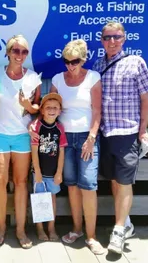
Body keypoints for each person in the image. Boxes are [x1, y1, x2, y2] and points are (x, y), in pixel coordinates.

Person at [92, 22, 148, 254]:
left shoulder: (137, 63)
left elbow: (146, 100)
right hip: (105, 133)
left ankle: (117, 231)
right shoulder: (97, 65)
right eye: (107, 37)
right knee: (114, 179)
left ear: (124, 38)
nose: (112, 41)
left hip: (127, 132)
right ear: (102, 40)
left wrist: (143, 130)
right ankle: (125, 224)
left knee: (124, 182)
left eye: (116, 37)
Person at [50, 39, 104, 254]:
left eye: (74, 61)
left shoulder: (93, 77)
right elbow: (52, 107)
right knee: (71, 185)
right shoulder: (56, 79)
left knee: (88, 186)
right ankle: (77, 229)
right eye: (66, 61)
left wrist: (91, 137)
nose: (70, 65)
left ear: (82, 60)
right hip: (64, 136)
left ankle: (92, 236)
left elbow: (97, 110)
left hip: (86, 136)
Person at [0, 35, 40, 248]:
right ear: (7, 52)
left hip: (21, 135)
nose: (20, 55)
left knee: (20, 183)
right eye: (16, 50)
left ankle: (20, 229)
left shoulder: (33, 77)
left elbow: (37, 109)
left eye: (24, 52)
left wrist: (28, 105)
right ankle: (1, 227)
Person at [30, 93, 67, 242]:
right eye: (48, 107)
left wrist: (59, 172)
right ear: (42, 110)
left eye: (55, 108)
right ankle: (40, 229)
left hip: (53, 173)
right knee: (39, 200)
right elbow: (34, 150)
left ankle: (51, 228)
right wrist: (37, 171)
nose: (52, 110)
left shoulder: (60, 128)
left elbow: (62, 151)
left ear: (59, 111)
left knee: (52, 199)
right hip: (39, 172)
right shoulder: (37, 127)